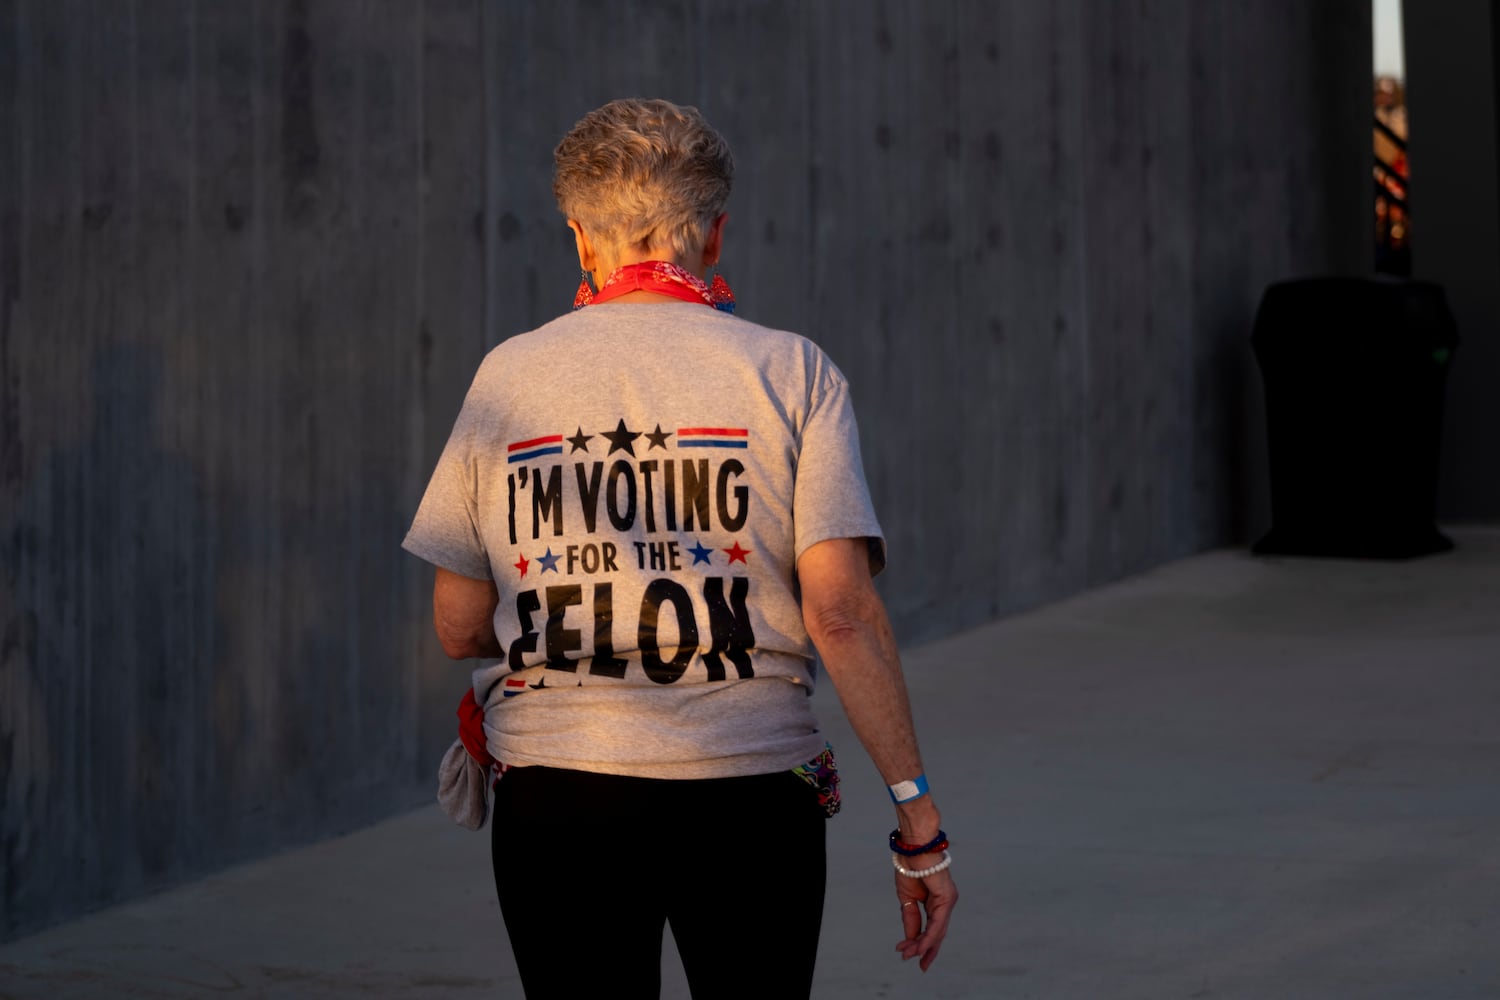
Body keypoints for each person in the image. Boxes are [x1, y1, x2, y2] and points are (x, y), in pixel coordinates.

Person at [403, 97, 957, 999]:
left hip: (560, 791)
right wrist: (917, 824)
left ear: (582, 239)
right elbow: (842, 615)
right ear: (715, 234)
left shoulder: (507, 375)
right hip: (750, 795)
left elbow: (458, 623)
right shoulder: (793, 371)